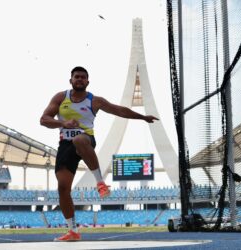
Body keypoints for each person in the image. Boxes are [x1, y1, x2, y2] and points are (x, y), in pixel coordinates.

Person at [40, 66, 159, 241]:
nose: (79, 79)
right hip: (65, 145)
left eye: (83, 77)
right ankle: (73, 231)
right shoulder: (60, 97)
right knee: (63, 188)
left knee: (79, 139)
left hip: (86, 140)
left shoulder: (95, 101)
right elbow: (44, 120)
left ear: (88, 81)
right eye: (76, 77)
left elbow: (119, 110)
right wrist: (63, 124)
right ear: (70, 80)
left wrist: (142, 117)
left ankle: (100, 182)